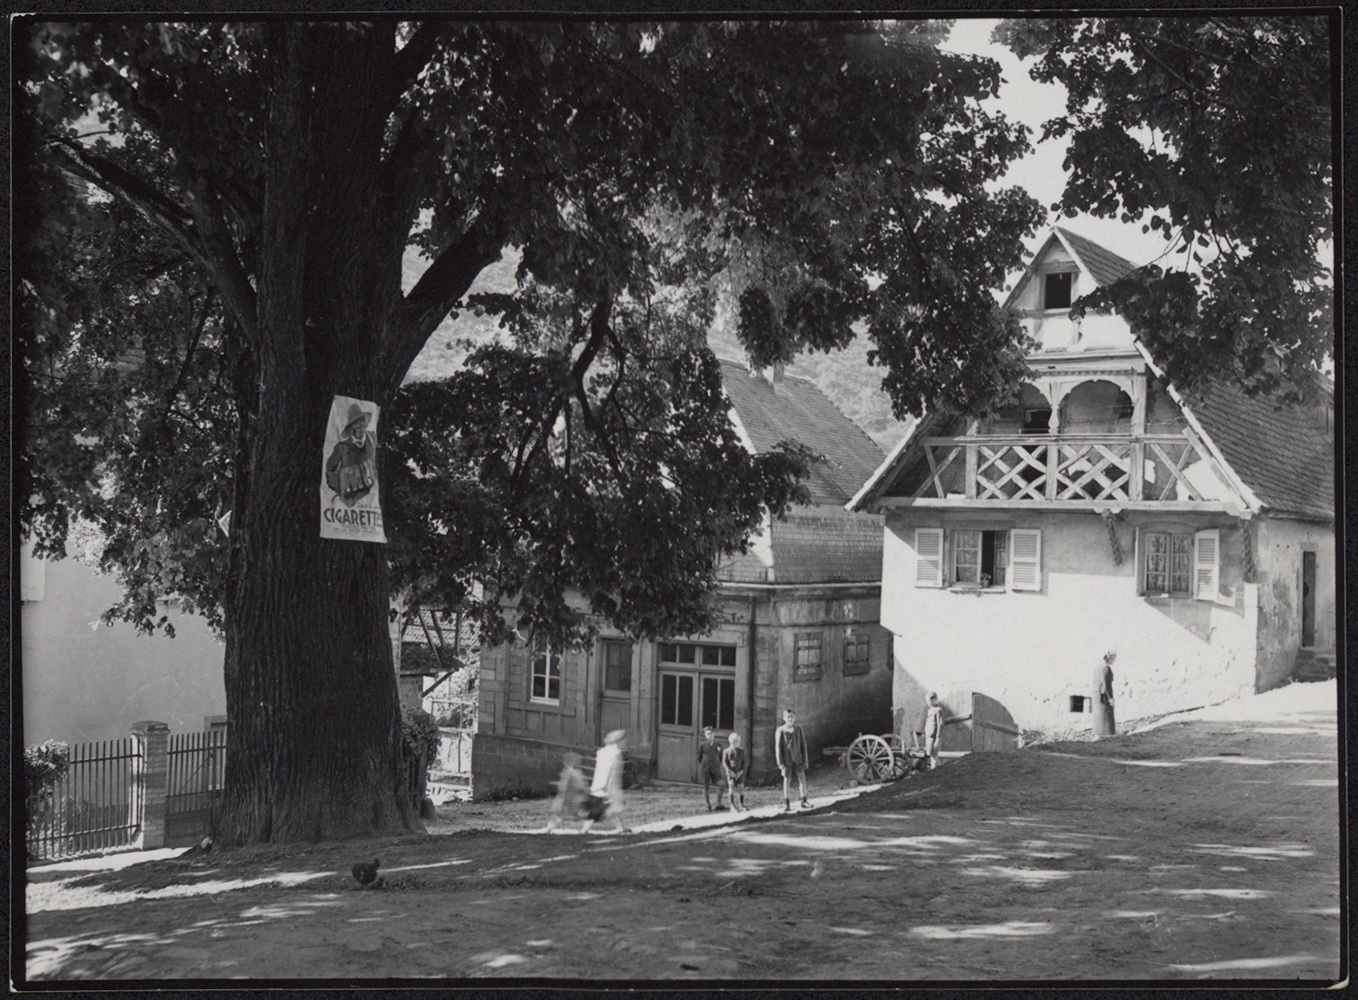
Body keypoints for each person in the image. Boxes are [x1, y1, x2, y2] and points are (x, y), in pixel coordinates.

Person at [325, 403, 377, 506]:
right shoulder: (342, 447)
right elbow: (329, 470)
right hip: (349, 500)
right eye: (355, 423)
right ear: (351, 426)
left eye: (361, 421)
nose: (359, 426)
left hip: (368, 499)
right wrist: (339, 484)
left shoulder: (371, 442)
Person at [581, 729, 630, 834]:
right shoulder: (616, 753)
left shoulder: (602, 752)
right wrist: (607, 785)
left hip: (600, 783)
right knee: (598, 808)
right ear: (618, 741)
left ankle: (621, 827)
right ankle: (585, 830)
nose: (625, 742)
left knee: (614, 807)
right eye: (623, 740)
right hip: (608, 784)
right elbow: (611, 770)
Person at [775, 708, 810, 811]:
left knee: (802, 779)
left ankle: (804, 800)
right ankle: (787, 803)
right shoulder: (780, 730)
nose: (790, 719)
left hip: (798, 759)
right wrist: (780, 763)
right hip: (786, 760)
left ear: (794, 718)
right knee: (787, 780)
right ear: (784, 718)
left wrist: (805, 760)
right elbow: (778, 747)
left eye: (792, 717)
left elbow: (803, 745)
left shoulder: (798, 729)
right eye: (788, 717)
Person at [545, 751, 587, 833]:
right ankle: (550, 827)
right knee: (560, 812)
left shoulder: (575, 771)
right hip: (568, 796)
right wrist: (562, 793)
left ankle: (584, 828)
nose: (578, 762)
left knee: (575, 812)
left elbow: (580, 784)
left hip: (574, 796)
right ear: (570, 761)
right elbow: (564, 784)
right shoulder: (568, 771)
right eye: (576, 760)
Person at [698, 726, 726, 811]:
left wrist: (716, 763)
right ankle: (707, 804)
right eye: (708, 734)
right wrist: (704, 764)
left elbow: (721, 756)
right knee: (706, 786)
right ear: (705, 735)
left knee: (722, 784)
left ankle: (718, 803)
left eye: (711, 733)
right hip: (706, 768)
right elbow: (699, 758)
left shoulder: (718, 744)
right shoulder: (702, 744)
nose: (710, 735)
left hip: (715, 768)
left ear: (714, 734)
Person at [722, 732, 748, 812]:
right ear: (733, 742)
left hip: (740, 772)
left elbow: (744, 762)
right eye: (738, 741)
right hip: (731, 773)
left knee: (741, 788)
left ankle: (741, 804)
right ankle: (732, 805)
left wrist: (741, 771)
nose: (739, 743)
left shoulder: (741, 751)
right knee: (731, 787)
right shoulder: (726, 751)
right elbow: (725, 762)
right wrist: (730, 771)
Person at [1093, 651, 1116, 737]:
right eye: (1114, 659)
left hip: (1097, 695)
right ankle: (1107, 734)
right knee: (1106, 716)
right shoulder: (1106, 668)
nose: (1114, 661)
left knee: (1099, 716)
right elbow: (1107, 685)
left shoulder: (1098, 667)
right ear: (1110, 658)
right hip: (1103, 695)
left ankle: (1098, 734)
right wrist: (1110, 698)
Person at [922, 692, 946, 769]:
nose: (928, 703)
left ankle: (934, 770)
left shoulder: (938, 710)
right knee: (929, 753)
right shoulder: (930, 710)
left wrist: (938, 738)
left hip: (934, 737)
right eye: (927, 701)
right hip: (929, 736)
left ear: (934, 700)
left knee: (934, 756)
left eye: (929, 701)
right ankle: (931, 770)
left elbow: (940, 724)